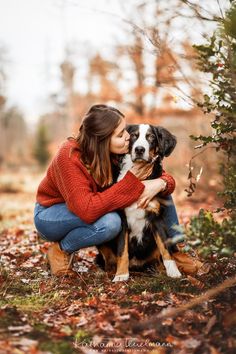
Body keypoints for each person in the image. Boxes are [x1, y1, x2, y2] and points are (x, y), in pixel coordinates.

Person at [34, 104, 206, 277]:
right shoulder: (69, 156)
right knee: (110, 223)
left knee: (159, 192)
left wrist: (160, 184)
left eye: (126, 132)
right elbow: (87, 210)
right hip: (52, 215)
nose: (128, 138)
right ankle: (60, 251)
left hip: (87, 206)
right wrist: (132, 182)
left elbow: (166, 180)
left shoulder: (117, 153)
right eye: (121, 134)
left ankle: (177, 253)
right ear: (103, 139)